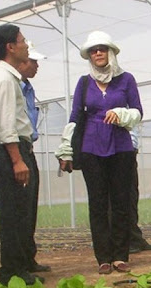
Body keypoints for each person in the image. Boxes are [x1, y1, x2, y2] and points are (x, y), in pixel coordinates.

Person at [56, 31, 142, 274]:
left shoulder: (126, 80)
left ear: (110, 52)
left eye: (102, 49)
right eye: (93, 51)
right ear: (89, 56)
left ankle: (120, 255)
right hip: (92, 147)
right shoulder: (84, 83)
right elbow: (75, 117)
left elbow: (137, 111)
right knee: (98, 202)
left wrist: (122, 114)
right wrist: (66, 150)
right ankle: (103, 257)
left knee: (121, 201)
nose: (98, 53)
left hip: (121, 146)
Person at [0, 42, 51, 274]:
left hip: (23, 148)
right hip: (12, 151)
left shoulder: (23, 87)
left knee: (26, 211)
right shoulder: (5, 81)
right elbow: (0, 125)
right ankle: (13, 270)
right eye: (33, 60)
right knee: (13, 213)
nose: (35, 64)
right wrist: (13, 159)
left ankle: (26, 261)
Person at [128, 130, 151, 254]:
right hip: (119, 150)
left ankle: (135, 237)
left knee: (132, 196)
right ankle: (127, 241)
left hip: (130, 151)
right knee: (122, 198)